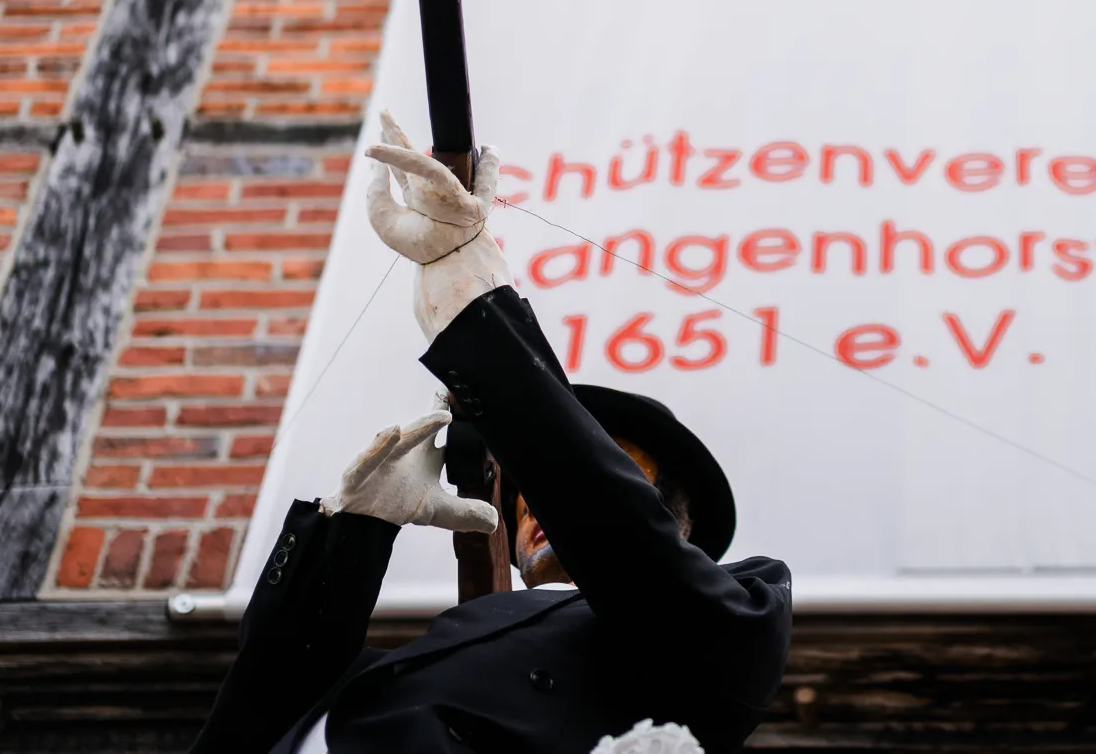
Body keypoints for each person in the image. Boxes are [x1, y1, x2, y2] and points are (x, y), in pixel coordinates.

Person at [190, 114, 792, 754]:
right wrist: (354, 531)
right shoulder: (407, 669)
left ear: (678, 522)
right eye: (527, 494)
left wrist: (476, 311)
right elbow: (262, 701)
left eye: (614, 464)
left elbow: (609, 515)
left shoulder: (731, 625)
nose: (534, 505)